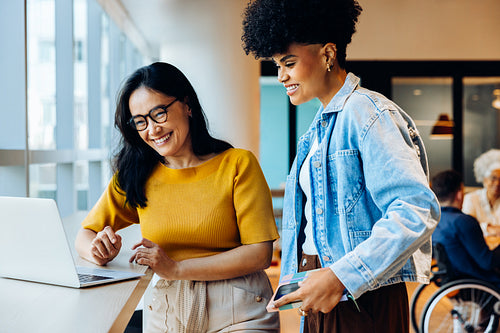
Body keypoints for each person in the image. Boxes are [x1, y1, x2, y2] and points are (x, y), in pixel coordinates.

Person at [241, 1, 440, 332]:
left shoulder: (368, 113)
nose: (281, 76)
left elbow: (416, 208)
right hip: (324, 289)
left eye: (288, 63)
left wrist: (341, 276)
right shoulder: (318, 129)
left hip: (361, 296)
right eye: (277, 65)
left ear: (327, 54)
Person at [75, 62, 280, 332]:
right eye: (140, 121)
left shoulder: (237, 164)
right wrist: (98, 251)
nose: (152, 129)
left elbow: (259, 254)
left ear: (187, 104)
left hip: (239, 310)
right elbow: (85, 235)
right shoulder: (136, 174)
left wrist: (177, 269)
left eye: (159, 113)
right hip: (167, 312)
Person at [431, 170, 500, 287]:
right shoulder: (463, 222)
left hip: (453, 279)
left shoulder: (434, 220)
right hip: (479, 282)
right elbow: (487, 262)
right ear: (459, 194)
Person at [463, 149, 500, 236]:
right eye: (493, 178)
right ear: (484, 179)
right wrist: (488, 228)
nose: (497, 183)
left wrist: (484, 227)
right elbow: (466, 227)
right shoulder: (471, 199)